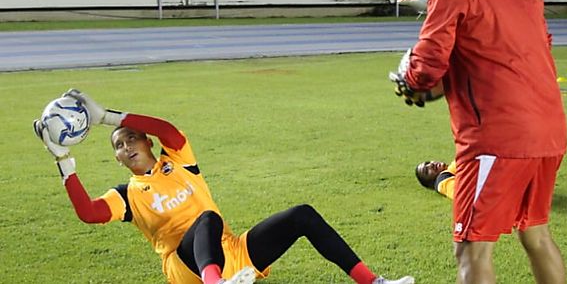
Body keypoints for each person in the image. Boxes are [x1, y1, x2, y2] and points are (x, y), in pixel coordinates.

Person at [33, 89, 415, 284]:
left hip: (229, 254)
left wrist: (106, 118)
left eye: (131, 138)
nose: (126, 146)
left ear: (147, 141)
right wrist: (63, 160)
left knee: (302, 216)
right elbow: (88, 213)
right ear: (116, 158)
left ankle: (373, 281)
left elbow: (168, 128)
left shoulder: (178, 160)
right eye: (118, 145)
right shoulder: (127, 194)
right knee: (206, 219)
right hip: (186, 269)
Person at [391, 0, 567, 284]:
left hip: (497, 137)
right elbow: (531, 50)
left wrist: (413, 81)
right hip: (549, 131)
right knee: (535, 234)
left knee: (472, 248)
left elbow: (430, 58)